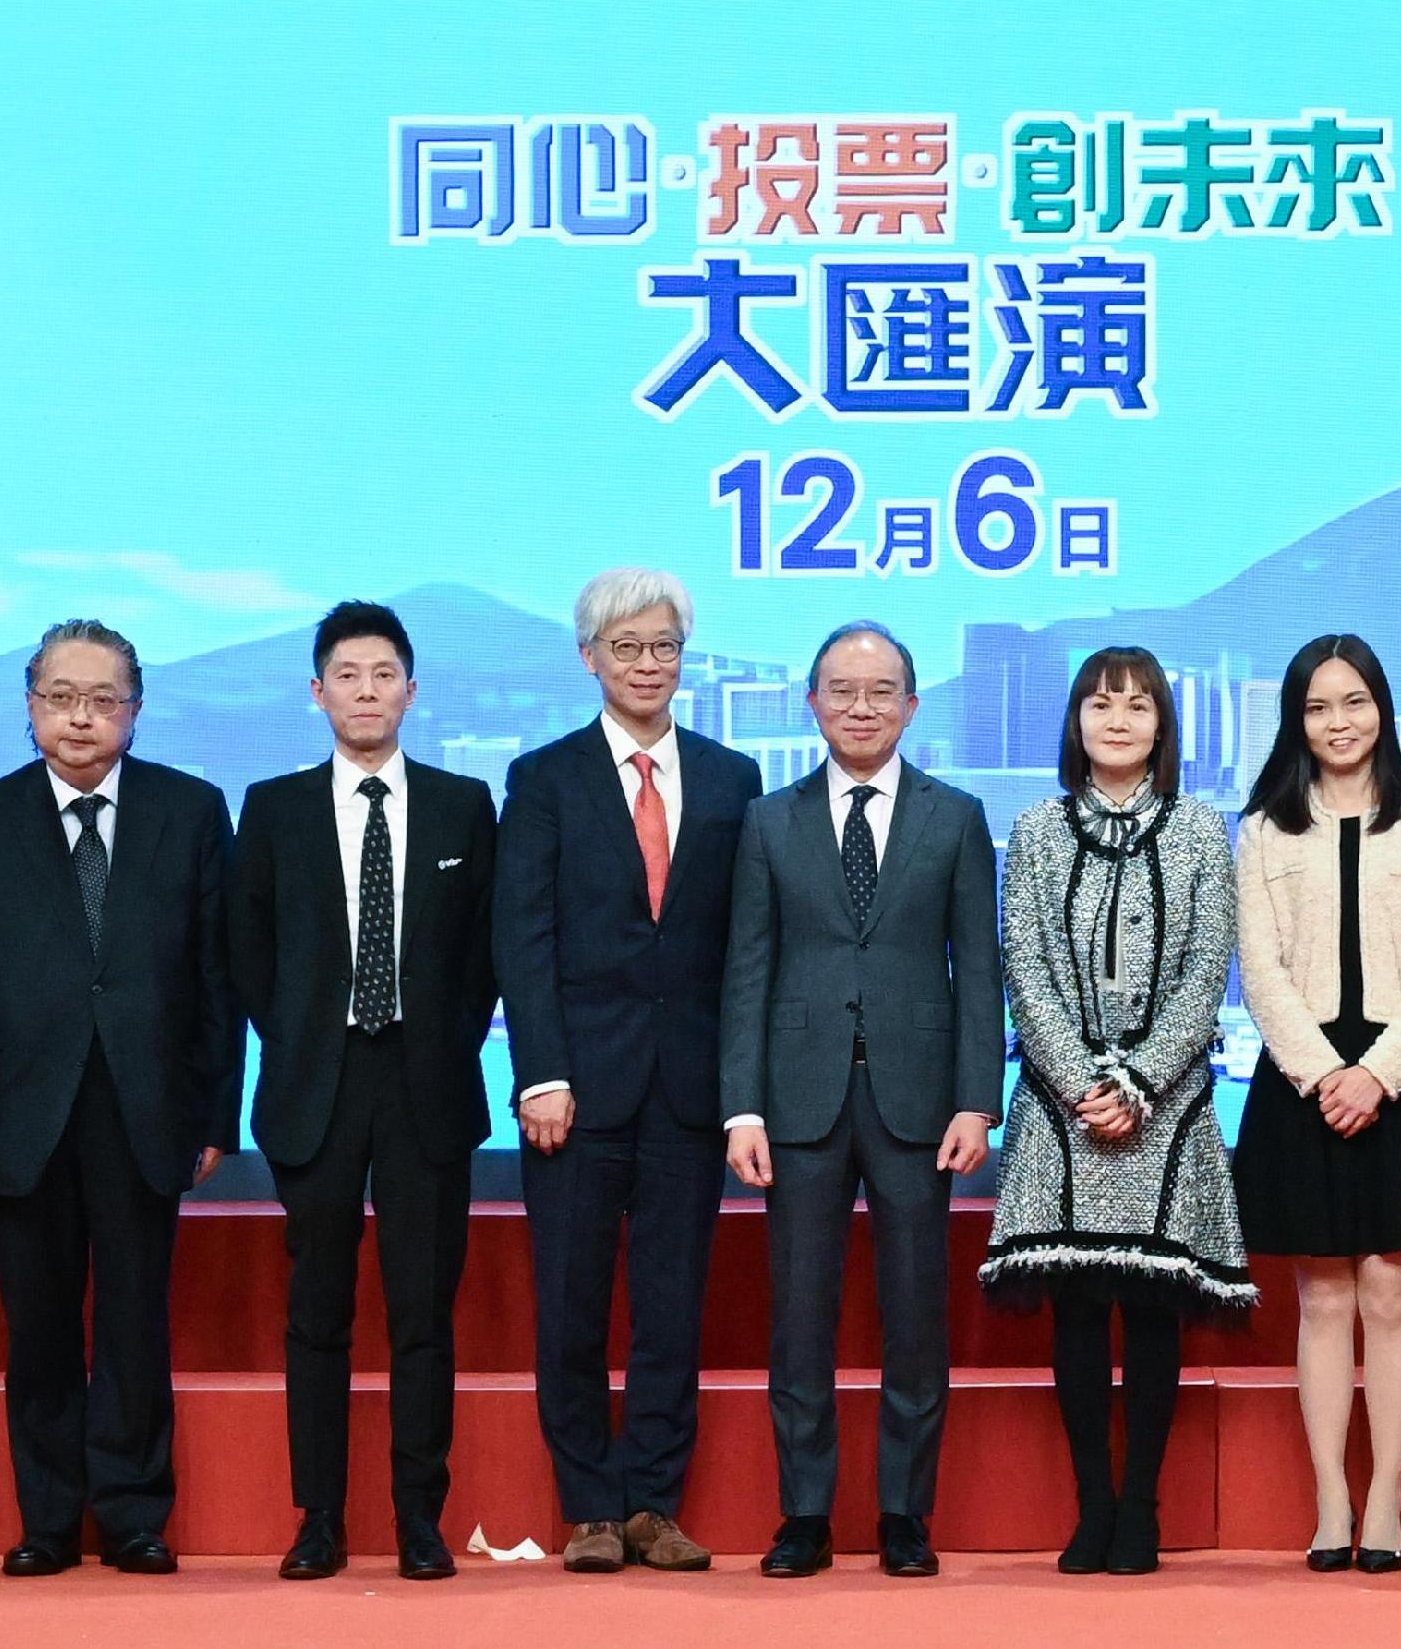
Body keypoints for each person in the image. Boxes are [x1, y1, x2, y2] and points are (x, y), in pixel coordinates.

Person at [0, 619, 243, 1579]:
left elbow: (216, 979)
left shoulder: (191, 811)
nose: (81, 718)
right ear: (30, 708)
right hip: (22, 1114)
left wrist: (214, 1116)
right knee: (41, 1325)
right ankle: (49, 1521)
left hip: (146, 1110)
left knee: (137, 1322)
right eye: (61, 698)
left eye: (103, 700)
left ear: (135, 714)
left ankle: (136, 1515)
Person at [719, 621, 1003, 1579]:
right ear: (813, 702)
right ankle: (803, 1515)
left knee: (917, 1314)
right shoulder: (768, 821)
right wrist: (741, 1107)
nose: (862, 707)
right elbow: (746, 971)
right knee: (799, 1315)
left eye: (882, 691)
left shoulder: (955, 817)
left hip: (921, 1108)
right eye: (842, 690)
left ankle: (902, 1516)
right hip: (795, 1107)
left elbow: (980, 973)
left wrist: (978, 1101)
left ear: (912, 707)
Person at [496, 568, 762, 1576]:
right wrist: (540, 1071)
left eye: (662, 646)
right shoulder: (544, 776)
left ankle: (653, 1501)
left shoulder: (733, 776)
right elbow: (522, 935)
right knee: (569, 1303)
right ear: (589, 657)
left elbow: (745, 944)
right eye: (626, 647)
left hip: (689, 1088)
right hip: (576, 1087)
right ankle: (588, 1506)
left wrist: (742, 1086)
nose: (646, 663)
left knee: (669, 1303)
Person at [229, 601, 500, 1583]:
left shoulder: (465, 805)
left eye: (384, 673)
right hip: (318, 1079)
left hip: (426, 1081)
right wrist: (300, 1034)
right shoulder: (272, 807)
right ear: (317, 691)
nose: (367, 691)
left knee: (424, 1310)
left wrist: (441, 1037)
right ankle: (321, 1516)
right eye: (347, 673)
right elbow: (248, 952)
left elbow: (483, 956)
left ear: (411, 691)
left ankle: (419, 1516)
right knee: (318, 1311)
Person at [979, 646, 1250, 1576]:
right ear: (1076, 723)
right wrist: (1079, 1080)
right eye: (1101, 705)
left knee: (1153, 1311)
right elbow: (1027, 968)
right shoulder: (1038, 830)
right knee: (1080, 1312)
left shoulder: (1203, 832)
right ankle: (1092, 1504)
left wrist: (1139, 1082)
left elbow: (1207, 969)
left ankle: (1143, 1505)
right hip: (1062, 1112)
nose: (1119, 720)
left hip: (1166, 1113)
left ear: (1164, 724)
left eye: (1138, 705)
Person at [1228, 634, 1401, 1576]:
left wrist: (1380, 1073)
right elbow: (1259, 970)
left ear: (1384, 709)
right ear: (1298, 720)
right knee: (1323, 1295)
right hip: (1302, 1081)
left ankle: (1386, 1499)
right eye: (1319, 707)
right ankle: (1331, 1496)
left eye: (1355, 702)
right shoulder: (1262, 829)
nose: (1339, 722)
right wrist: (1323, 1071)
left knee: (1390, 1291)